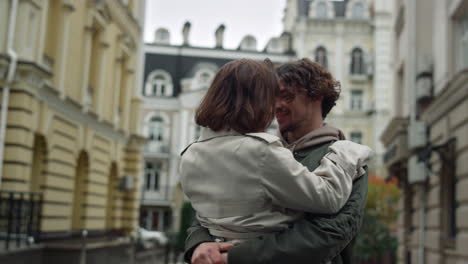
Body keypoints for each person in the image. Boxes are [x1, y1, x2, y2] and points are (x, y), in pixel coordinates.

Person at [182, 58, 371, 264]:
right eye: (272, 97)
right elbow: (206, 212)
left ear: (317, 97)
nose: (277, 105)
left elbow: (329, 232)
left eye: (287, 97)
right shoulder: (259, 150)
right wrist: (199, 243)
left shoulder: (348, 162)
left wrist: (233, 256)